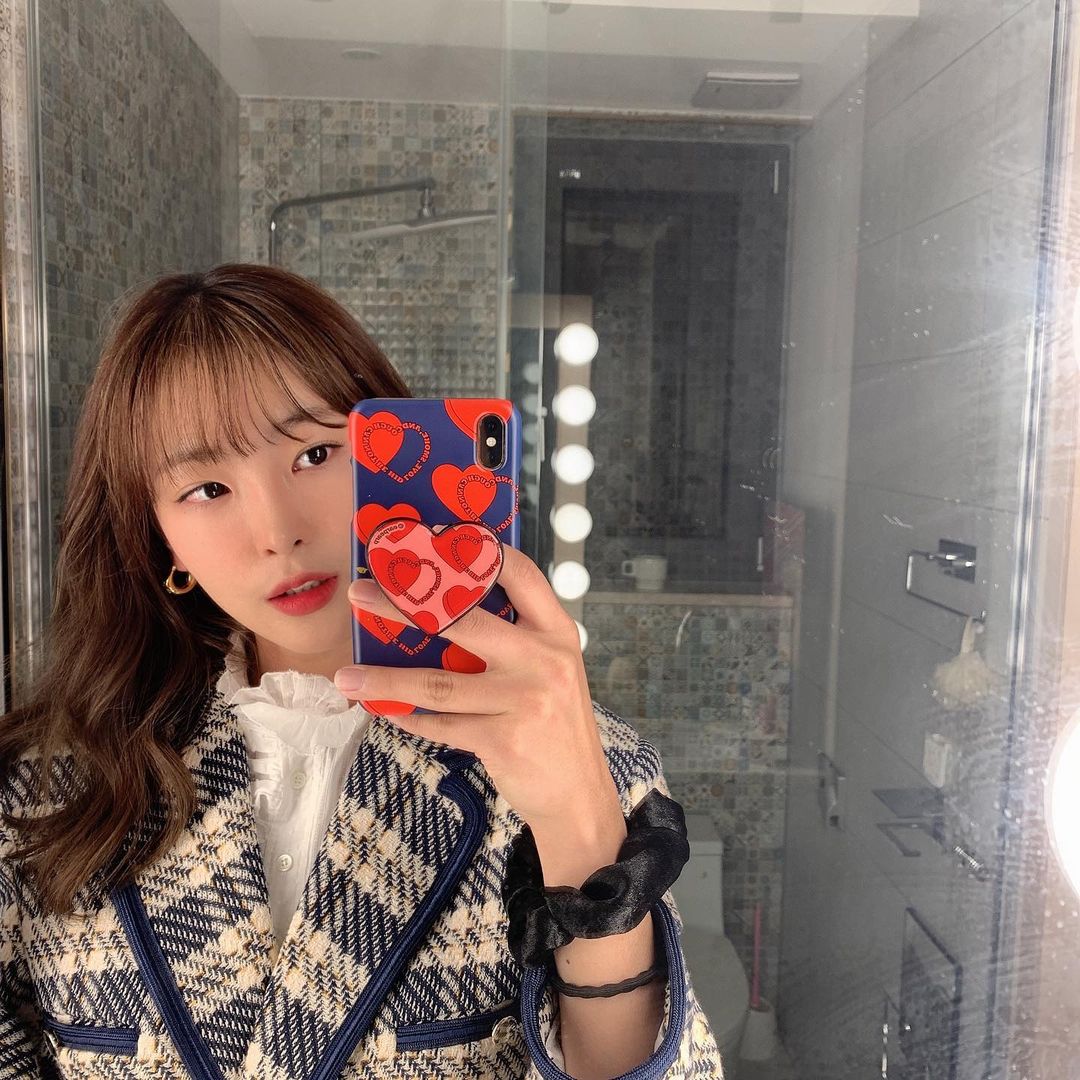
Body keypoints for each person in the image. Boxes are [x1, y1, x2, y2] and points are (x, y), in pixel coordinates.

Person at [0, 263, 725, 1079]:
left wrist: (580, 830)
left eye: (315, 452)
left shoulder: (580, 760)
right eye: (206, 487)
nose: (277, 531)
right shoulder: (43, 794)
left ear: (390, 450)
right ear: (154, 534)